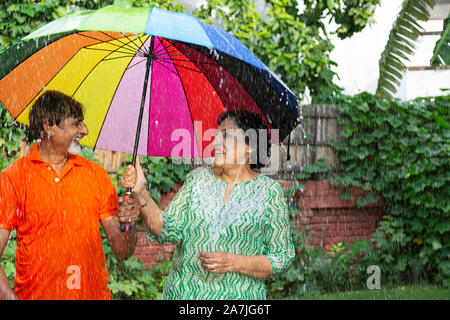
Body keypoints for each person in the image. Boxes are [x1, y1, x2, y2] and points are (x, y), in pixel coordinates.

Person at [121, 110, 295, 300]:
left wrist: (234, 262)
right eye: (217, 135)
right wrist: (141, 192)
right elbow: (164, 228)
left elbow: (281, 257)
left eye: (227, 136)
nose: (216, 142)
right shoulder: (198, 181)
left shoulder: (269, 193)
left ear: (250, 147)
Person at [0, 90, 140, 300]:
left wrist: (128, 222)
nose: (85, 130)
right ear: (49, 126)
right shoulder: (13, 178)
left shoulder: (96, 174)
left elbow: (122, 251)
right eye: (76, 123)